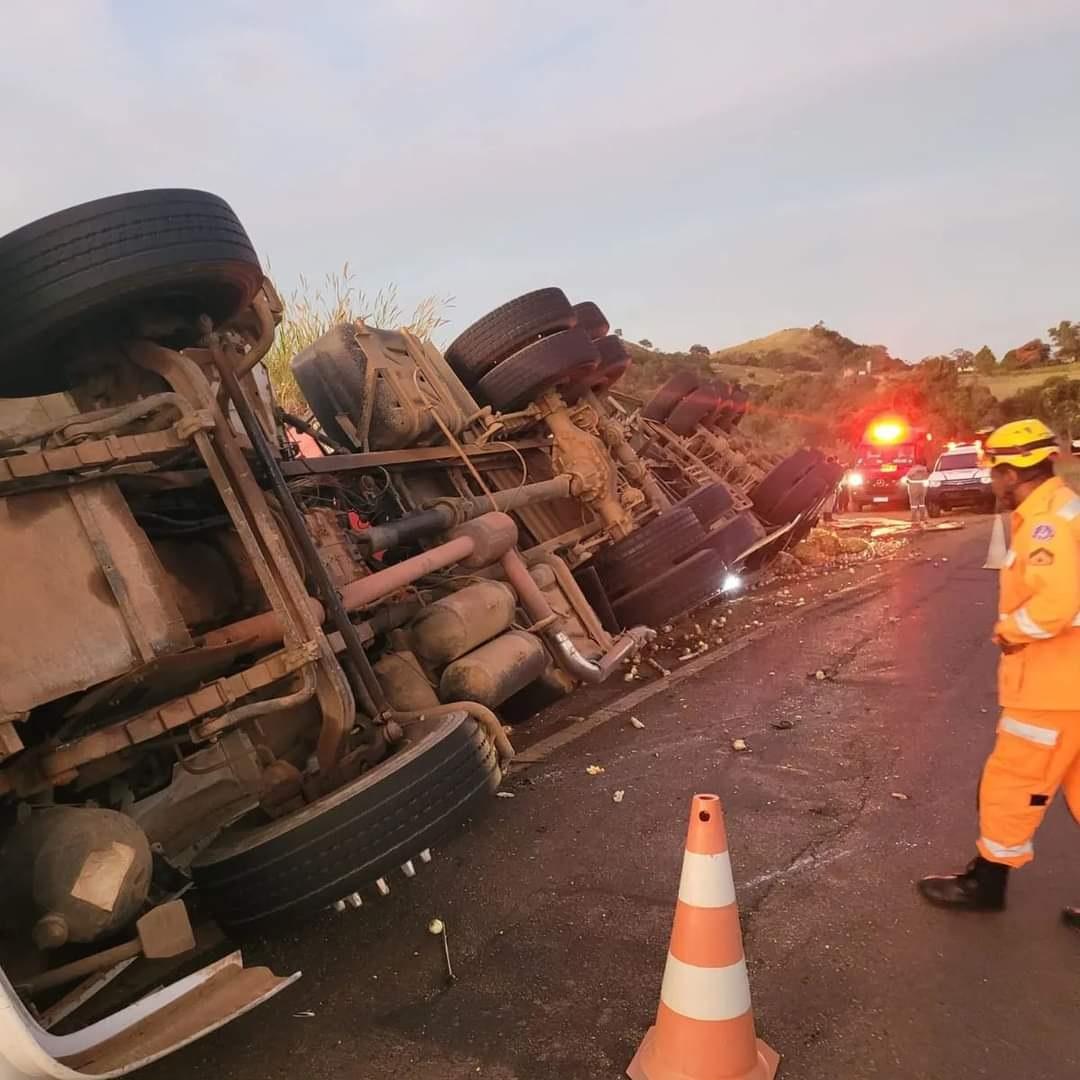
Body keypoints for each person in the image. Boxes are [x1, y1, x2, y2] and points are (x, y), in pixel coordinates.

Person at [918, 419, 1080, 928]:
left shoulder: (1044, 523)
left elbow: (1060, 598)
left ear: (1013, 472)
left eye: (995, 473)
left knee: (1011, 783)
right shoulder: (1066, 507)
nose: (992, 482)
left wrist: (1014, 630)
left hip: (1052, 687)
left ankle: (986, 883)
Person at [906, 461, 930, 525]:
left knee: (913, 504)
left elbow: (907, 477)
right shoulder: (925, 469)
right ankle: (922, 518)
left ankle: (914, 518)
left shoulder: (913, 469)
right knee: (922, 504)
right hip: (922, 488)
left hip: (913, 488)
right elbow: (927, 477)